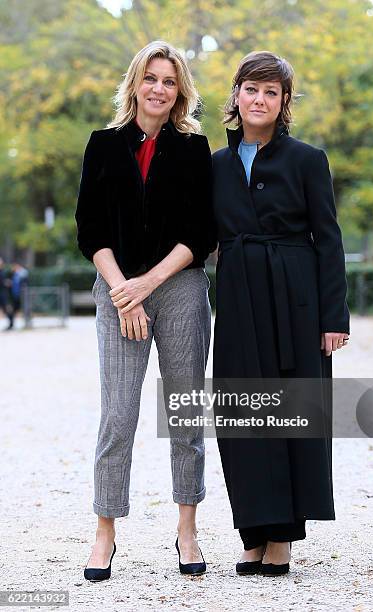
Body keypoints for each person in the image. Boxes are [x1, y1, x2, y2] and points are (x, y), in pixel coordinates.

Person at [75, 40, 216, 581]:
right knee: (118, 415)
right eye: (151, 78)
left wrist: (148, 285)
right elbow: (90, 228)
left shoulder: (192, 149)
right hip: (116, 290)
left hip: (178, 287)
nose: (159, 88)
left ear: (180, 91)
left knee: (183, 412)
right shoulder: (103, 145)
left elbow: (200, 232)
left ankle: (187, 526)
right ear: (135, 82)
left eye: (170, 80)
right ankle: (105, 530)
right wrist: (122, 291)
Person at [212, 51, 350, 576]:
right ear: (237, 95)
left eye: (272, 92)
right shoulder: (216, 164)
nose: (260, 99)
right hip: (240, 295)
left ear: (284, 102)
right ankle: (253, 530)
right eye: (252, 89)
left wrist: (333, 318)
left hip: (297, 297)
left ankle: (283, 538)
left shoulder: (308, 159)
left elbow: (329, 240)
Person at [4, 262, 28, 330]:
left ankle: (26, 323)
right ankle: (12, 324)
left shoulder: (23, 274)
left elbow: (25, 283)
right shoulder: (12, 274)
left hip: (21, 296)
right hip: (14, 295)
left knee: (20, 309)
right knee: (12, 310)